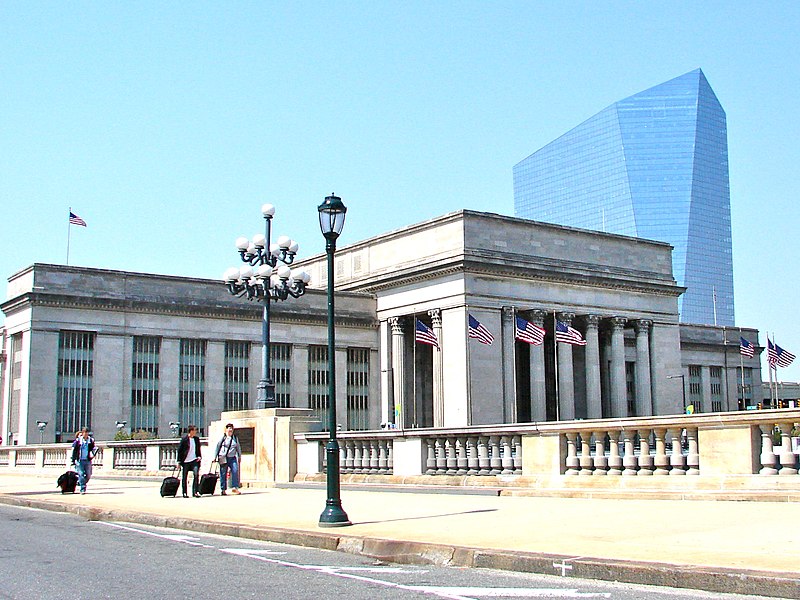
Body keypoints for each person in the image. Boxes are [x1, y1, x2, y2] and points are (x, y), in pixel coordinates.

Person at [213, 423, 241, 495]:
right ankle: (223, 489)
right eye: (229, 428)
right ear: (226, 430)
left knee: (235, 470)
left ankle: (235, 487)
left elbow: (238, 447)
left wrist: (239, 456)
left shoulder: (235, 438)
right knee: (223, 473)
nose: (230, 430)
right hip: (223, 457)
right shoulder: (223, 438)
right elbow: (218, 447)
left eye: (231, 429)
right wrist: (215, 457)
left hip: (232, 457)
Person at [177, 425, 202, 498]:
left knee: (196, 474)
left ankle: (195, 492)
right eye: (195, 430)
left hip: (194, 460)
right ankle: (184, 492)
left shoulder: (196, 439)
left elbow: (198, 449)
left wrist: (199, 456)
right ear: (191, 431)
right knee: (184, 477)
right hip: (185, 461)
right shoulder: (184, 440)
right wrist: (178, 461)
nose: (196, 432)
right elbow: (180, 451)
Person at [71, 428, 97, 494]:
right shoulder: (78, 441)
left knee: (88, 474)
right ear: (82, 433)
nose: (86, 434)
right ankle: (83, 488)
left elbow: (93, 448)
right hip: (79, 460)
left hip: (87, 460)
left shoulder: (90, 440)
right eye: (85, 432)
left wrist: (94, 454)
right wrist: (73, 460)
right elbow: (74, 450)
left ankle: (80, 482)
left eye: (87, 432)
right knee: (81, 474)